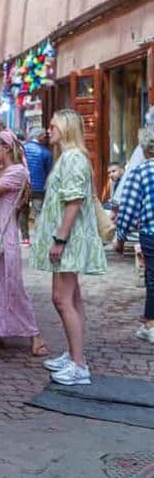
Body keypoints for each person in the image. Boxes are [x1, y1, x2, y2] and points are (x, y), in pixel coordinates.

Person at [30, 109, 107, 385]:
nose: (49, 130)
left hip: (69, 240)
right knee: (69, 298)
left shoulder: (73, 158)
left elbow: (73, 202)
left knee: (63, 299)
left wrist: (60, 238)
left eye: (54, 126)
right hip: (67, 239)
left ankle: (78, 363)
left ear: (66, 128)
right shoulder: (69, 158)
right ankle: (74, 355)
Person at [0, 130, 48, 356]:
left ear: (7, 148)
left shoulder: (18, 172)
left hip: (4, 237)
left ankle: (35, 335)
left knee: (12, 285)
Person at [113, 127, 154, 343]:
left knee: (153, 278)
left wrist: (120, 237)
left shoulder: (141, 172)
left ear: (146, 149)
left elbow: (128, 209)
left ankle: (150, 324)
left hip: (150, 232)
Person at [20, 127, 52, 244]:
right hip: (39, 187)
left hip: (24, 186)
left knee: (23, 211)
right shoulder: (46, 152)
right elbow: (49, 171)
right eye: (44, 136)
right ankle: (39, 236)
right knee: (39, 212)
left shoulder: (23, 149)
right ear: (39, 136)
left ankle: (25, 238)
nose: (46, 138)